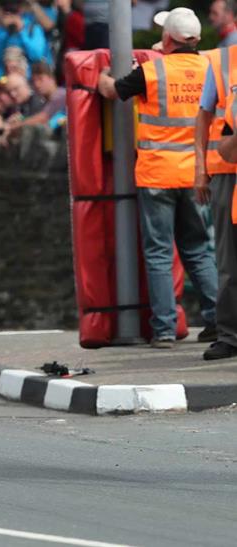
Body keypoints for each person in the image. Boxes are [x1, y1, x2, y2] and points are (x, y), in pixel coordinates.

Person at [98, 8, 218, 349]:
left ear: (168, 39)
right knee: (199, 251)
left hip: (157, 175)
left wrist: (100, 75)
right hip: (198, 176)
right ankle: (218, 321)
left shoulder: (152, 71)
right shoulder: (210, 68)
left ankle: (164, 330)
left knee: (159, 254)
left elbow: (112, 90)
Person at [195, 42, 237, 359]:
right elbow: (205, 115)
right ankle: (230, 335)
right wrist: (200, 170)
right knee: (228, 259)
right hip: (227, 171)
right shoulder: (222, 61)